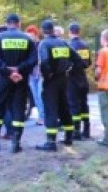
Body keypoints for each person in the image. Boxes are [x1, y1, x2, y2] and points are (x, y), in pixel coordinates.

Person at [0, 14, 37, 153]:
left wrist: (8, 72)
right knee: (19, 108)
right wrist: (19, 70)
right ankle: (16, 143)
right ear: (19, 23)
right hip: (21, 79)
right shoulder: (28, 39)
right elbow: (33, 60)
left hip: (4, 79)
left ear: (7, 24)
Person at [35, 21, 84, 151]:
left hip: (51, 81)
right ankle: (69, 137)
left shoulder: (44, 44)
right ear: (52, 30)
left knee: (51, 109)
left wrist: (47, 75)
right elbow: (79, 60)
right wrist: (69, 70)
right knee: (64, 108)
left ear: (43, 30)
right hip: (64, 80)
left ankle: (51, 142)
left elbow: (44, 62)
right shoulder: (63, 43)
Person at [67, 22, 92, 140]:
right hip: (83, 78)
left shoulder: (69, 46)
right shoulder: (85, 45)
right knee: (84, 105)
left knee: (73, 106)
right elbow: (88, 63)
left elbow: (67, 64)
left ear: (69, 32)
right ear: (79, 32)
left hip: (72, 80)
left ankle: (76, 132)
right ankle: (86, 130)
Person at [0, 24, 14, 140]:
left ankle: (9, 132)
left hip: (4, 77)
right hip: (16, 77)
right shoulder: (13, 43)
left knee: (4, 106)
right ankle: (12, 132)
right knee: (12, 106)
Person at [25, 24, 45, 126]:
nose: (29, 37)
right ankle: (41, 116)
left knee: (40, 96)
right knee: (36, 97)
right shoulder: (28, 46)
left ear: (36, 34)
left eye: (31, 34)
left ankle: (43, 117)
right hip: (31, 74)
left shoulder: (41, 45)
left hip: (40, 73)